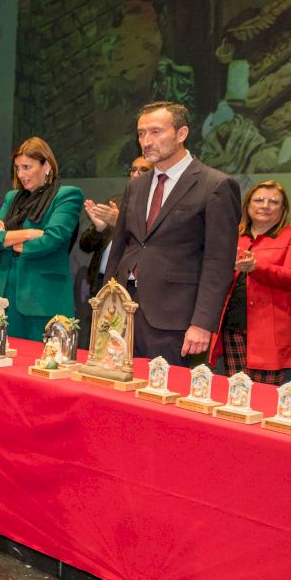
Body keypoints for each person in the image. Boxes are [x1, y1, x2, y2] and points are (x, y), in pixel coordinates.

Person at [105, 101, 241, 367]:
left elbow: (219, 262)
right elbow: (121, 245)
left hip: (175, 319)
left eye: (156, 132)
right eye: (141, 133)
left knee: (161, 390)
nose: (146, 141)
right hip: (123, 310)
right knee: (118, 389)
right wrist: (106, 301)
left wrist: (202, 323)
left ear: (181, 134)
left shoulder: (216, 185)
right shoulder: (137, 186)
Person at [0, 136, 83, 342]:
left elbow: (52, 239)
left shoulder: (67, 195)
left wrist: (7, 238)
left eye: (27, 167)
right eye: (17, 168)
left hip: (44, 298)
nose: (21, 174)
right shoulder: (12, 197)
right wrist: (29, 234)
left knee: (44, 360)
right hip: (6, 296)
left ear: (46, 166)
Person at [210, 180, 291, 385]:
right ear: (247, 205)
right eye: (259, 200)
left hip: (271, 335)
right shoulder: (233, 234)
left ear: (283, 209)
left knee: (266, 397)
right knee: (236, 393)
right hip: (231, 328)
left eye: (273, 201)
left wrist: (257, 267)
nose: (265, 205)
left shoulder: (288, 236)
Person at [77, 156, 151, 346]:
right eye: (133, 169)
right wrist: (99, 228)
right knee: (100, 345)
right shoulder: (117, 202)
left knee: (126, 345)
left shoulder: (156, 208)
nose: (136, 174)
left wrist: (120, 222)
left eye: (143, 170)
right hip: (103, 284)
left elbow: (146, 243)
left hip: (134, 288)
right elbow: (85, 245)